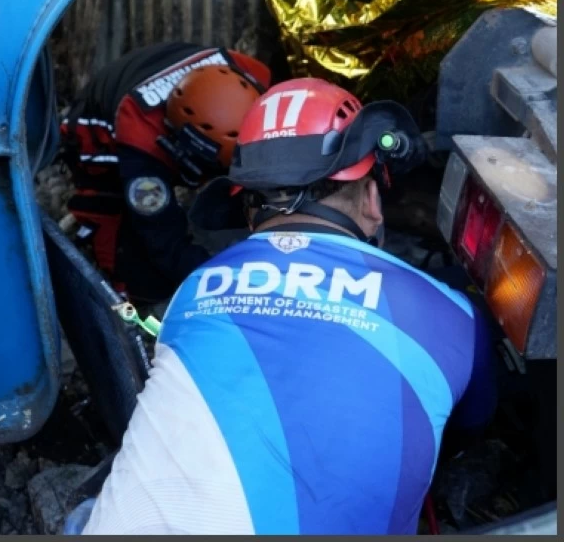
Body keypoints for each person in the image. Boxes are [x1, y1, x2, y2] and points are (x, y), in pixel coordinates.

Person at [78, 77, 497, 535]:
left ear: (248, 207)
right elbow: (468, 427)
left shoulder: (192, 290)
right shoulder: (456, 316)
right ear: (372, 199)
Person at [58, 43, 271, 306]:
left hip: (156, 69)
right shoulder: (141, 143)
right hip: (98, 123)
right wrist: (225, 279)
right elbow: (164, 241)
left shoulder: (257, 77)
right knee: (120, 230)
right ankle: (122, 299)